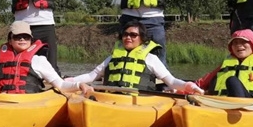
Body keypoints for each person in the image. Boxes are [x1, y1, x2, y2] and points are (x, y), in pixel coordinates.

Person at [62, 21, 202, 95]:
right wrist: (70, 81)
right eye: (125, 34)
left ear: (141, 39)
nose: (128, 37)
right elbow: (91, 76)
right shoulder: (112, 57)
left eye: (133, 35)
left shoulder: (151, 58)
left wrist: (187, 85)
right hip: (112, 99)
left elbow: (171, 81)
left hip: (138, 101)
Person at [0, 21, 79, 94]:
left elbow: (61, 85)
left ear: (31, 40)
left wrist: (79, 85)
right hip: (2, 101)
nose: (22, 39)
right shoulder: (0, 61)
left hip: (27, 103)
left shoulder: (39, 61)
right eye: (18, 37)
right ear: (10, 40)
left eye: (26, 37)